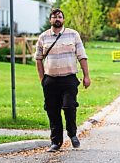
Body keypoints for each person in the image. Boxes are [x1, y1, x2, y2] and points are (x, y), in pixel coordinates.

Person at [35, 8, 91, 152]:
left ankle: (72, 134)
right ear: (50, 20)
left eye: (59, 16)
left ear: (63, 20)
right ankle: (56, 142)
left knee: (69, 107)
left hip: (69, 79)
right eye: (54, 17)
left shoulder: (73, 34)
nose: (57, 19)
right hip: (50, 80)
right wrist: (42, 79)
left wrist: (86, 76)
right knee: (52, 111)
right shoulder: (43, 37)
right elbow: (38, 59)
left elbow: (82, 56)